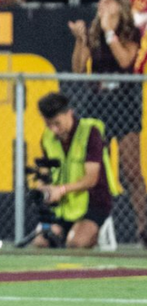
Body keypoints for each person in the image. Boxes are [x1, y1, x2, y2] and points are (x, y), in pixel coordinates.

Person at [68, 0, 147, 244]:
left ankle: (143, 226)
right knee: (92, 168)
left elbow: (125, 60)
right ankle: (87, 225)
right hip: (98, 104)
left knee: (131, 171)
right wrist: (81, 40)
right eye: (100, 0)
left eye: (107, 1)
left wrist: (110, 32)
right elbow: (78, 69)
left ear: (119, 6)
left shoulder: (129, 32)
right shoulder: (95, 32)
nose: (101, 5)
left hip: (124, 104)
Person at [33, 92, 120, 249]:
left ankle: (92, 233)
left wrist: (61, 190)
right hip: (63, 209)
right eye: (48, 125)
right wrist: (44, 188)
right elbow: (44, 172)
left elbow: (91, 178)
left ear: (69, 113)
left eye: (57, 123)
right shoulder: (47, 138)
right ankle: (66, 234)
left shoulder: (90, 133)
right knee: (41, 243)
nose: (53, 130)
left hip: (93, 204)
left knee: (76, 243)